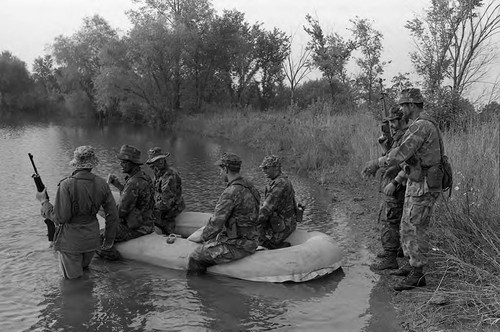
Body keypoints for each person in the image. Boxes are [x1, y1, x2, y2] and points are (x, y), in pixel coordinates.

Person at [362, 88, 443, 291]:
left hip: (424, 183)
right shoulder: (418, 124)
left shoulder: (422, 126)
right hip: (416, 181)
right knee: (407, 225)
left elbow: (401, 152)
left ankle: (418, 273)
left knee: (416, 227)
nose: (401, 109)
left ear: (412, 106)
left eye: (403, 105)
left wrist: (376, 163)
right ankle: (411, 265)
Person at [35, 145, 118, 279]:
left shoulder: (66, 184)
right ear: (92, 164)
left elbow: (60, 218)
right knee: (84, 275)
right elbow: (113, 215)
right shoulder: (102, 183)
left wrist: (44, 203)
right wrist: (108, 241)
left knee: (73, 284)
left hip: (71, 243)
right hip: (92, 240)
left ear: (76, 164)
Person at [187, 152, 260, 275]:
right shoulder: (251, 187)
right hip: (251, 240)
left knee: (195, 257)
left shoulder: (230, 192)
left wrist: (201, 237)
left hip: (238, 245)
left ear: (226, 169)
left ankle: (198, 290)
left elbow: (216, 224)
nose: (219, 172)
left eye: (220, 169)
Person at [363, 105, 409, 271]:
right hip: (391, 183)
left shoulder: (407, 136)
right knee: (393, 219)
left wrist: (395, 182)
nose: (392, 125)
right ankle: (395, 250)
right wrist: (383, 145)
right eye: (389, 122)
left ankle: (391, 258)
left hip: (396, 185)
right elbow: (389, 157)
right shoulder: (398, 136)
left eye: (393, 121)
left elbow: (406, 165)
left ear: (401, 119)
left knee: (389, 220)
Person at [98, 145, 155, 260]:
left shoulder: (133, 183)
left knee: (97, 237)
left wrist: (105, 210)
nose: (121, 165)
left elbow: (121, 212)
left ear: (132, 164)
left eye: (124, 162)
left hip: (138, 228)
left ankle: (114, 261)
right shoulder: (144, 177)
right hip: (147, 222)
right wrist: (118, 185)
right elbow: (135, 197)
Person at [257, 155, 298, 249]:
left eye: (266, 168)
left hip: (285, 223)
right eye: (263, 168)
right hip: (279, 220)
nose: (263, 170)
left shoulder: (280, 184)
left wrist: (249, 221)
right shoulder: (275, 181)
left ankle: (272, 246)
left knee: (253, 230)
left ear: (276, 168)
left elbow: (266, 209)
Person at [145, 147, 185, 235]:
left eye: (161, 159)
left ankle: (168, 233)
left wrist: (150, 208)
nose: (160, 162)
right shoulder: (158, 171)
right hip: (162, 203)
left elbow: (166, 203)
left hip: (172, 208)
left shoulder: (170, 175)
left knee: (145, 217)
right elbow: (153, 189)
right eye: (156, 161)